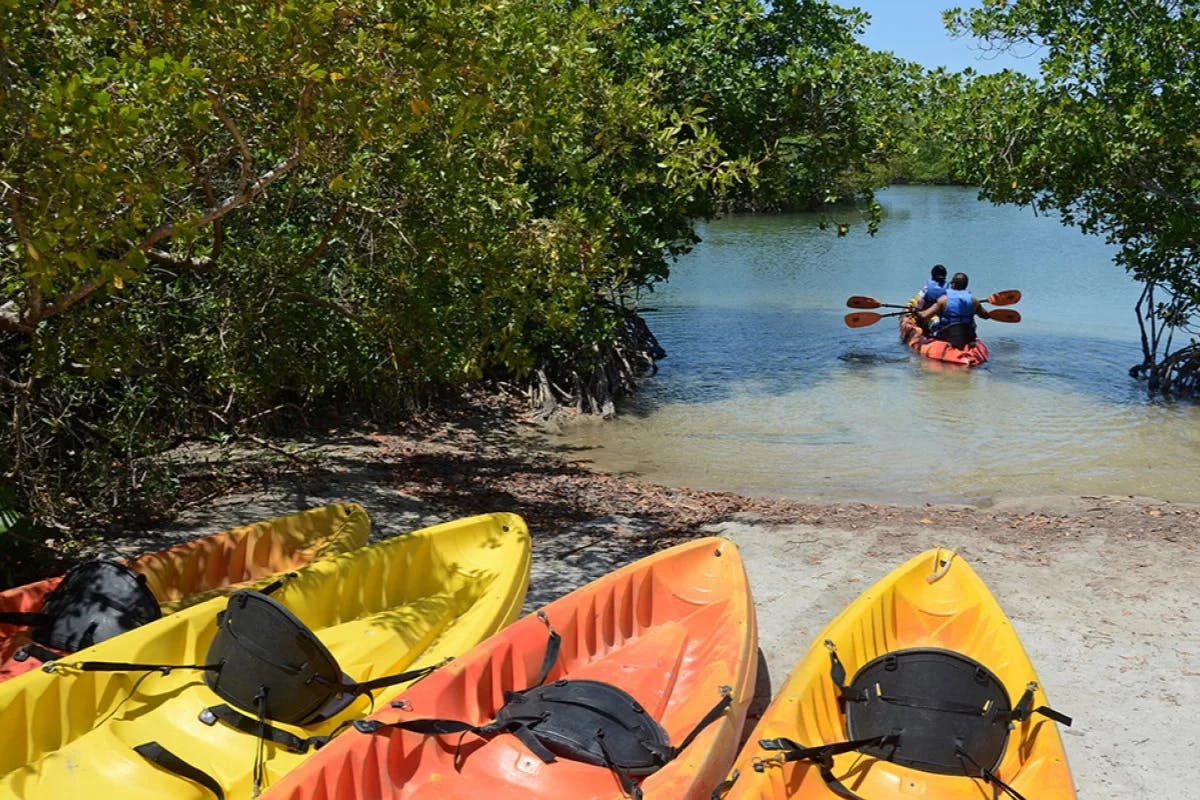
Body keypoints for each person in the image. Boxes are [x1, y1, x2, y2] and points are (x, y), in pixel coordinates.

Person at [916, 271, 990, 347]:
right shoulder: (974, 301)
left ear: (953, 284)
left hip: (947, 334)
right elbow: (985, 316)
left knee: (932, 320)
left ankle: (926, 338)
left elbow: (924, 315)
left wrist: (917, 312)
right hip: (967, 335)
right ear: (966, 285)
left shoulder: (943, 300)